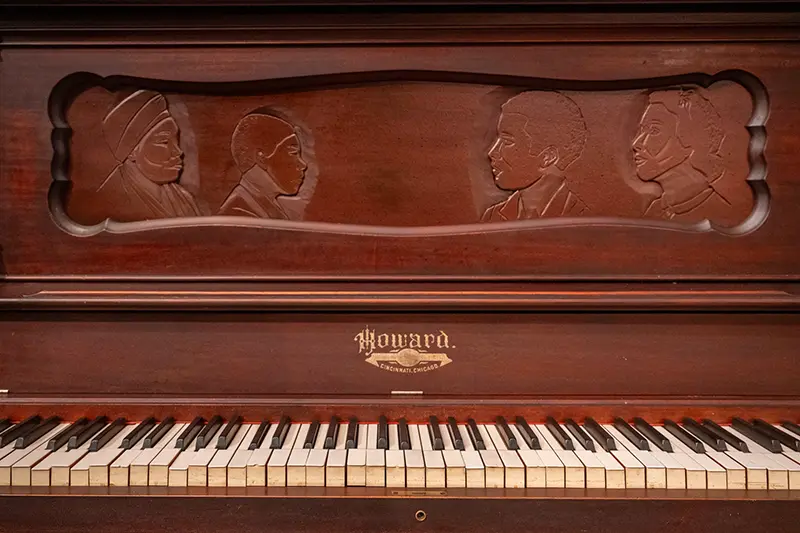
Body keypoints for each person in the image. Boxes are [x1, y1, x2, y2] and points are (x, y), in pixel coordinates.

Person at [482, 91, 588, 222]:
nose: (492, 152)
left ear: (547, 157)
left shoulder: (581, 219)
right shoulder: (492, 217)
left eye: (507, 141)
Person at [98, 89, 203, 220]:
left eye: (176, 140)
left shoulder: (183, 199)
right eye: (164, 141)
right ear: (132, 151)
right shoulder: (109, 200)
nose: (178, 151)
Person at [632, 88, 731, 222]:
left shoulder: (720, 214)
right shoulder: (657, 208)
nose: (636, 143)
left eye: (654, 130)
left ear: (690, 138)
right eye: (642, 130)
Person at [218, 110, 308, 219]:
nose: (303, 165)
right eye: (293, 153)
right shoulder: (240, 212)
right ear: (261, 158)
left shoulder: (261, 203)